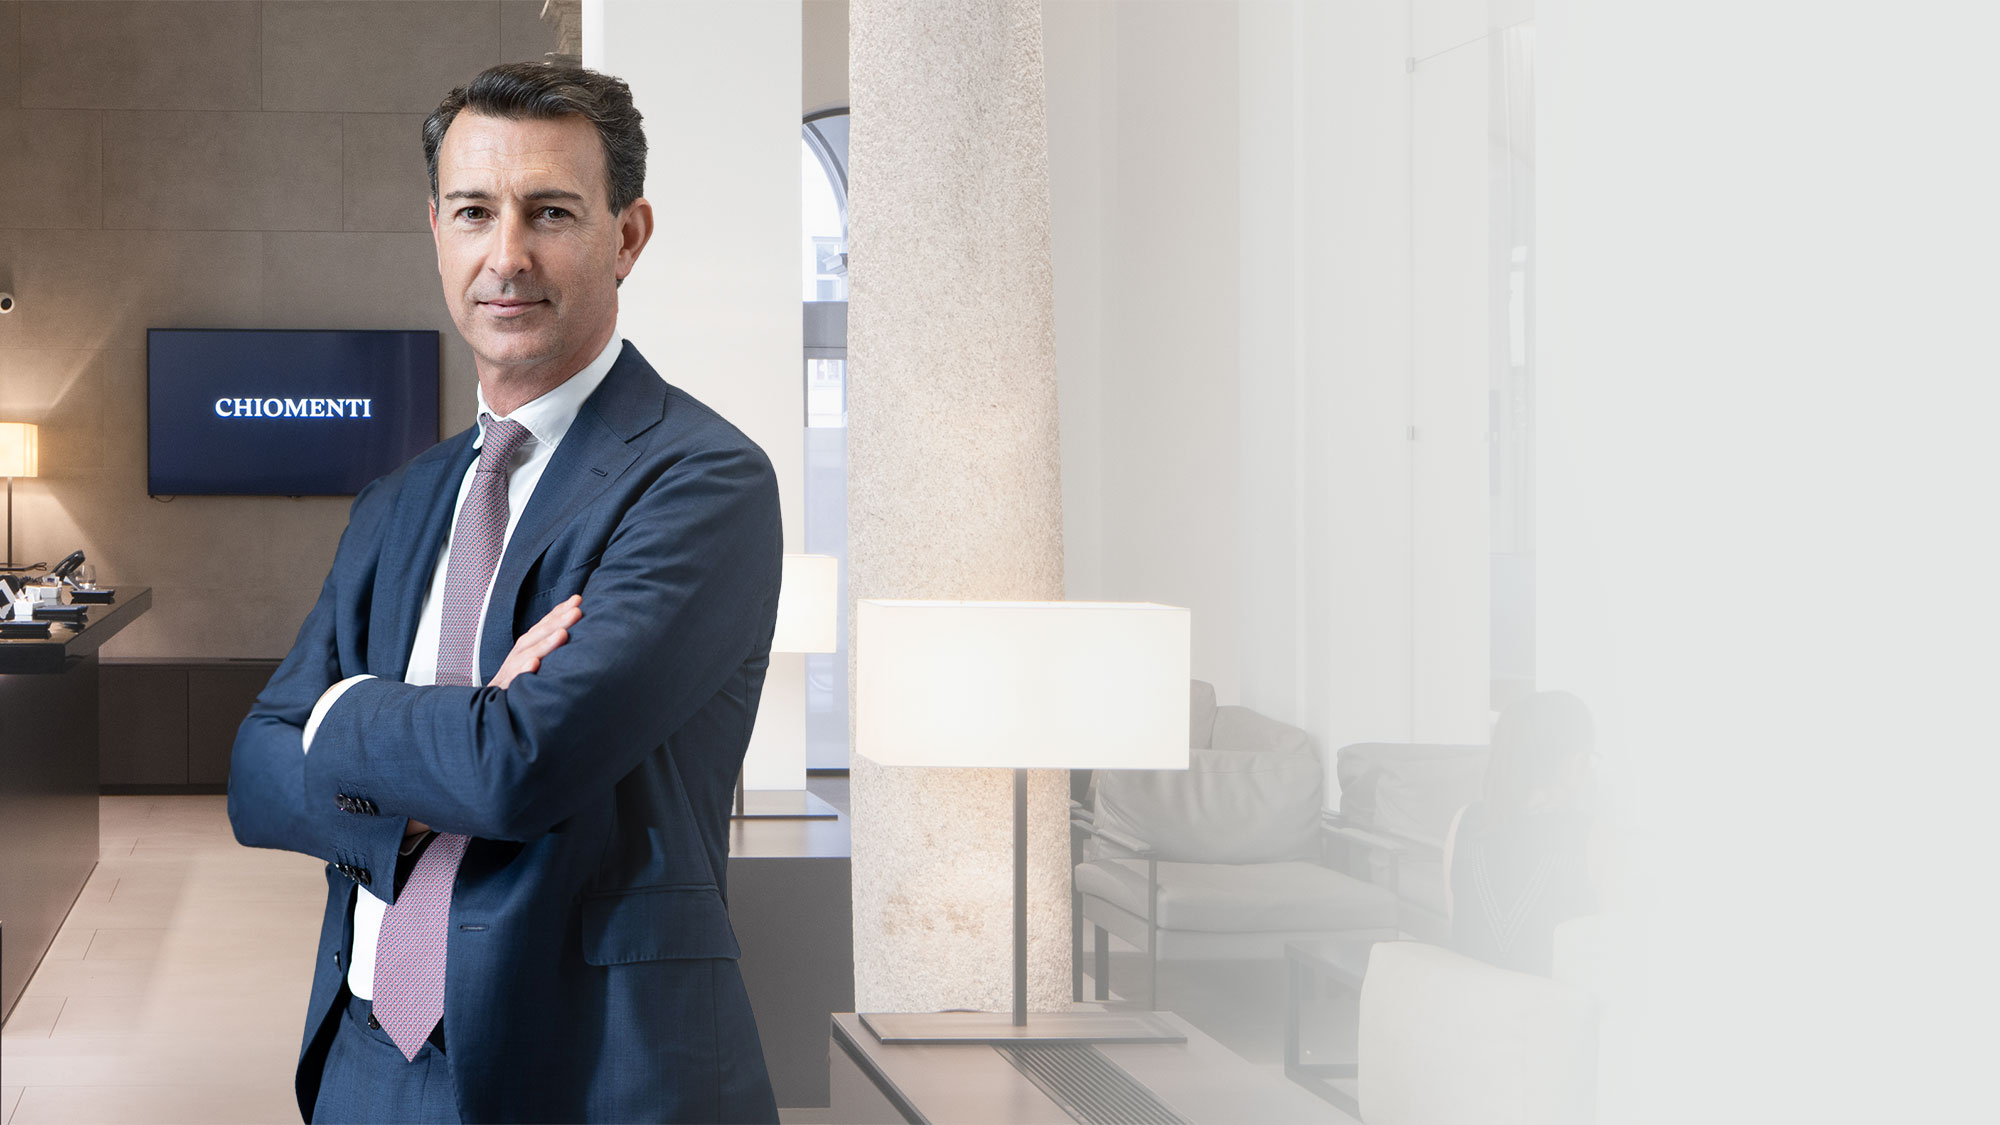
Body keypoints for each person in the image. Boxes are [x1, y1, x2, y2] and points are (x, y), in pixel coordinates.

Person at [227, 62, 781, 1124]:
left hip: (596, 1070)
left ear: (627, 236)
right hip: (365, 1061)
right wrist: (458, 738)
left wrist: (343, 715)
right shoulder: (400, 500)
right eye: (475, 212)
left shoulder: (701, 481)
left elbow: (516, 767)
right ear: (437, 231)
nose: (507, 255)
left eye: (551, 212)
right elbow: (255, 772)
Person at [1441, 690, 1601, 977]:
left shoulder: (1463, 821)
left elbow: (1460, 930)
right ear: (1577, 762)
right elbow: (1612, 954)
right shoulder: (1592, 836)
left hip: (1467, 998)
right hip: (1550, 1004)